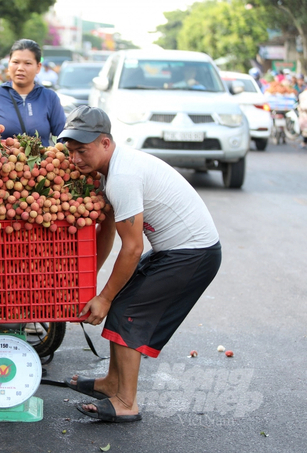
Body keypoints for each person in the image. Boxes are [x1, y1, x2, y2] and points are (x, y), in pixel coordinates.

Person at [59, 106, 221, 423]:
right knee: (121, 302)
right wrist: (91, 281)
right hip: (175, 250)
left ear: (105, 143)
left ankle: (125, 402)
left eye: (83, 150)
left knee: (127, 313)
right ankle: (111, 383)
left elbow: (132, 249)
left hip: (192, 254)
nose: (75, 159)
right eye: (71, 151)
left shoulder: (121, 176)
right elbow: (105, 231)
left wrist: (104, 298)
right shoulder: (111, 170)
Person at [0, 39, 65, 146]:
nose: (20, 68)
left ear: (38, 67)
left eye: (27, 63)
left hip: (42, 162)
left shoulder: (49, 98)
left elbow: (63, 138)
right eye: (15, 62)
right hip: (3, 162)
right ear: (9, 65)